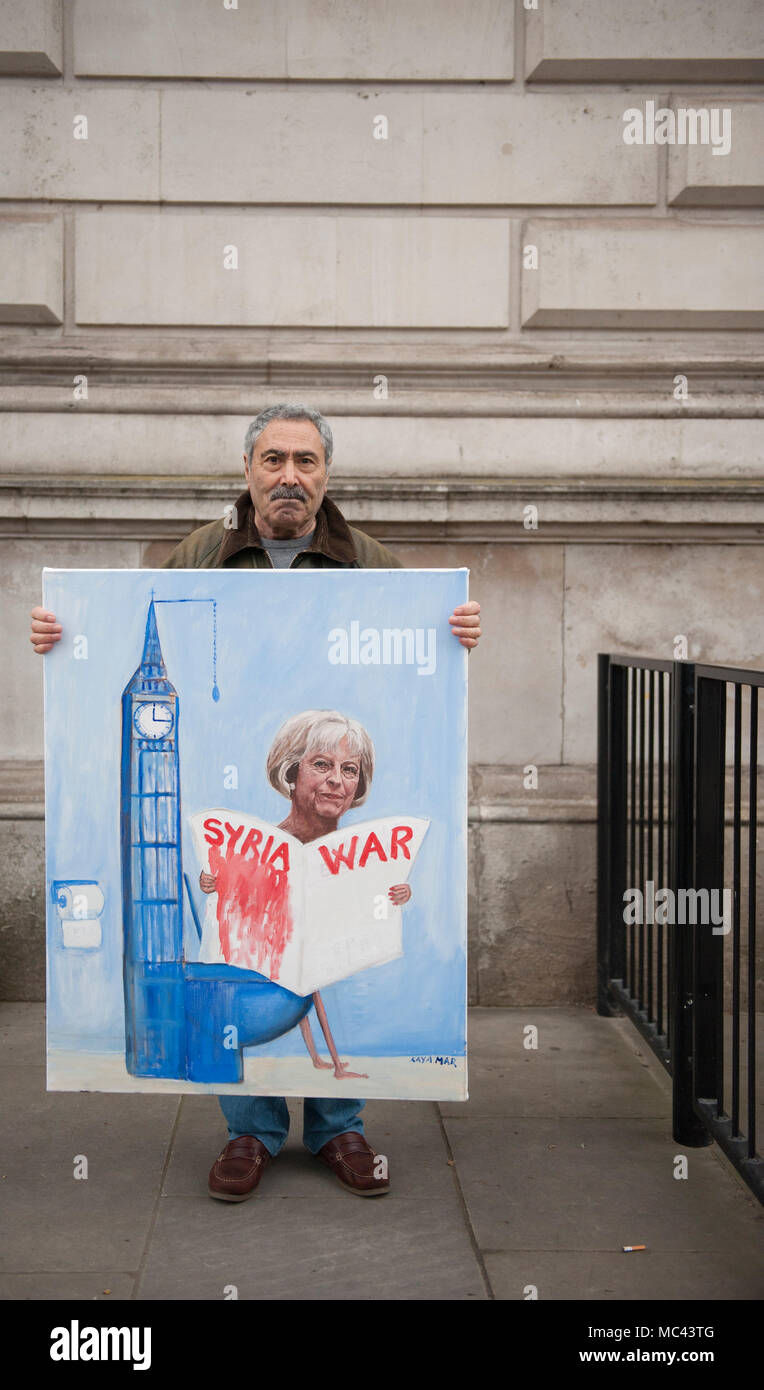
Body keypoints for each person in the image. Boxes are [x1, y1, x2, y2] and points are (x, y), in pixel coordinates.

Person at [30, 402, 482, 1202]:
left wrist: (458, 628)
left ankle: (340, 1124)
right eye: (273, 460)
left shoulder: (364, 557)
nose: (289, 477)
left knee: (331, 949)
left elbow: (419, 633)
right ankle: (252, 1130)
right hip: (245, 782)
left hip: (318, 786)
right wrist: (63, 635)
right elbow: (126, 616)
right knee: (244, 949)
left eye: (305, 462)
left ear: (326, 477)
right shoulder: (204, 552)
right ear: (248, 472)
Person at [199, 709, 412, 1084]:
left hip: (329, 949)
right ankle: (264, 1119)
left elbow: (372, 897)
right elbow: (223, 884)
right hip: (268, 969)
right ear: (291, 771)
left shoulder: (360, 853)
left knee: (314, 983)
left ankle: (335, 1107)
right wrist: (213, 881)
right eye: (321, 765)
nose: (336, 780)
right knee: (296, 985)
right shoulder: (262, 847)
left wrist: (396, 893)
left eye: (349, 770)